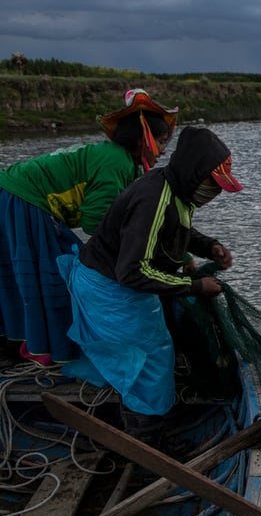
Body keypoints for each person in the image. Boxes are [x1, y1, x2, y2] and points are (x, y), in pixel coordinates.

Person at [57, 126, 243, 444]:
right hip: (109, 288)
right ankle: (148, 445)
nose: (215, 192)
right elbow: (132, 272)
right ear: (194, 172)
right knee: (148, 362)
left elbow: (175, 230)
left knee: (156, 352)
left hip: (121, 284)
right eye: (212, 183)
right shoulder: (153, 198)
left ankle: (152, 422)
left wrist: (208, 245)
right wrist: (196, 287)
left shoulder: (176, 190)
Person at [0, 88, 178, 365]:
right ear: (144, 138)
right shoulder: (115, 161)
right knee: (55, 274)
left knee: (37, 274)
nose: (164, 150)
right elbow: (96, 221)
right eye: (161, 140)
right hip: (25, 199)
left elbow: (138, 220)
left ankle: (30, 345)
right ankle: (45, 349)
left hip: (14, 194)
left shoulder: (124, 164)